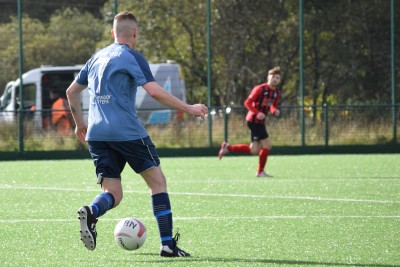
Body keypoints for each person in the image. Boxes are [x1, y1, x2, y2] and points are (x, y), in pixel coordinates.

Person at [66, 11, 208, 257]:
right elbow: (153, 91)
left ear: (113, 33)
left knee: (113, 193)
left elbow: (71, 91)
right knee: (157, 183)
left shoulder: (96, 57)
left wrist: (80, 124)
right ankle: (167, 245)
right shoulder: (132, 56)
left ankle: (91, 211)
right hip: (127, 132)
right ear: (135, 33)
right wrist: (189, 108)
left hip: (97, 134)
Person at [218, 67, 282, 177]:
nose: (275, 79)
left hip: (259, 122)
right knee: (267, 144)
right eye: (273, 77)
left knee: (254, 150)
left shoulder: (276, 93)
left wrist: (274, 110)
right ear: (268, 77)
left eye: (277, 78)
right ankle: (260, 172)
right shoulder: (260, 89)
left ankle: (228, 147)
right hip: (253, 120)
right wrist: (257, 112)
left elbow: (272, 106)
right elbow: (247, 102)